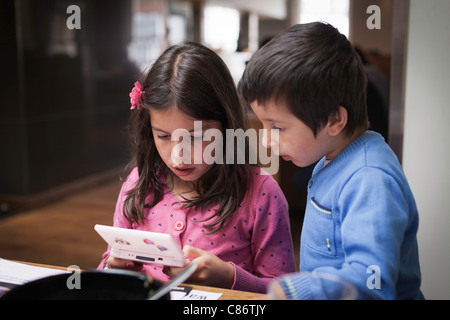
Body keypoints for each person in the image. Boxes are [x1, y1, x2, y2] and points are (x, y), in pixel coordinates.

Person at [238, 22, 423, 299]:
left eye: (276, 127)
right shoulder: (332, 156)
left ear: (335, 120)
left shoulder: (370, 179)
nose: (266, 140)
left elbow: (371, 283)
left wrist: (295, 290)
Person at [98, 42, 296, 293]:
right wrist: (115, 268)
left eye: (197, 137)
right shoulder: (139, 183)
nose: (179, 157)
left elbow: (286, 291)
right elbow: (107, 263)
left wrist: (228, 278)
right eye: (164, 136)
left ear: (226, 125)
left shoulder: (261, 193)